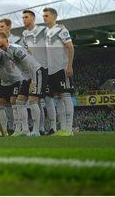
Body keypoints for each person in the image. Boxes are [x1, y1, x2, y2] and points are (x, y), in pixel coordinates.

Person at [0, 31, 44, 136]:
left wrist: (33, 80)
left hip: (36, 72)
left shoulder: (15, 49)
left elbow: (28, 63)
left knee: (32, 100)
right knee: (19, 101)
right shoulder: (6, 52)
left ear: (6, 39)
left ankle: (36, 131)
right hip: (26, 77)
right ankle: (25, 130)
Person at [43, 7, 75, 136]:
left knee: (66, 96)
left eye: (46, 15)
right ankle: (62, 128)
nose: (44, 18)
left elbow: (70, 47)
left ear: (54, 17)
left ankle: (69, 129)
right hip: (51, 71)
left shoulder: (61, 29)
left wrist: (69, 65)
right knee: (57, 98)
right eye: (43, 15)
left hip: (62, 68)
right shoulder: (46, 32)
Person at [21, 9, 50, 135]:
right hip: (31, 70)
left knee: (36, 99)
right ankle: (39, 128)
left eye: (26, 17)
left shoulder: (42, 30)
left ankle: (37, 130)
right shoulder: (24, 33)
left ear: (33, 18)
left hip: (41, 68)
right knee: (35, 100)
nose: (24, 19)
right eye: (23, 18)